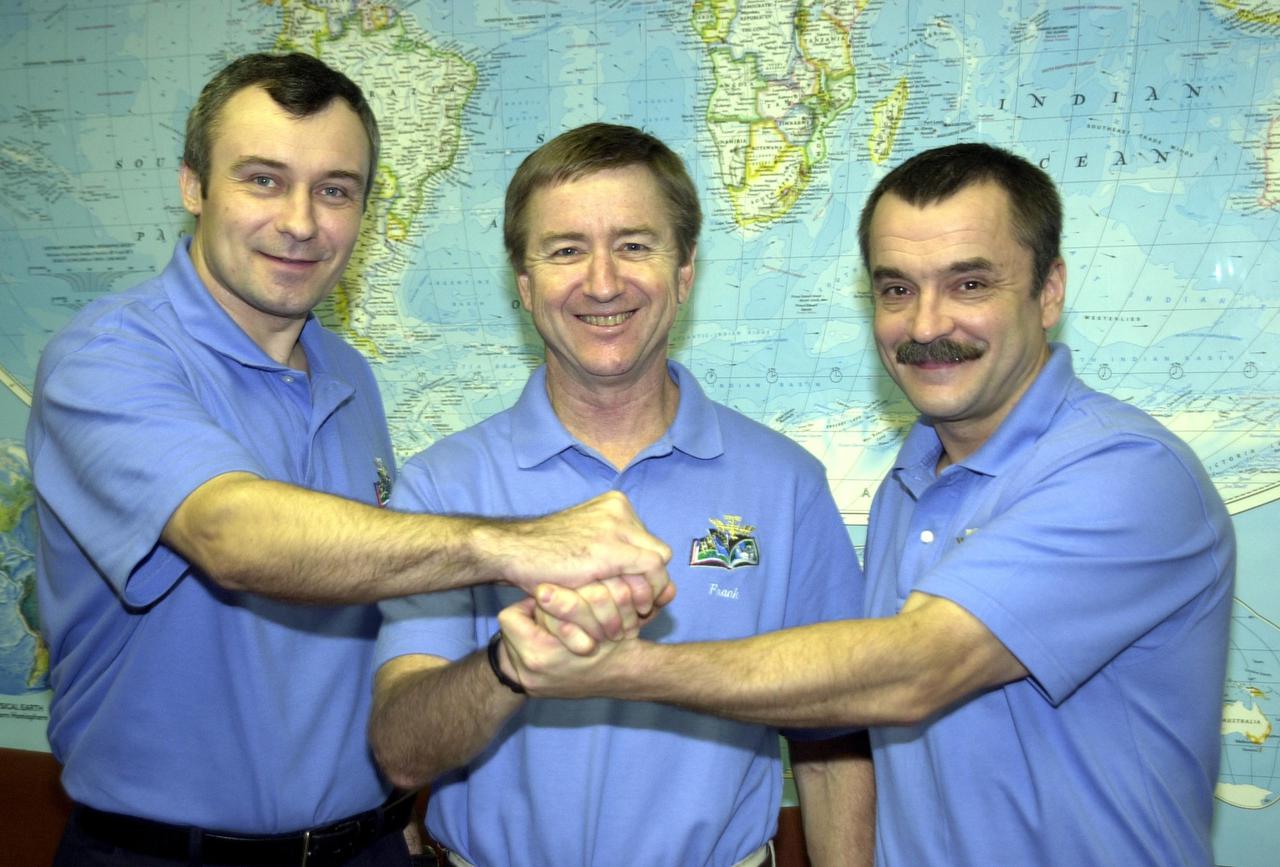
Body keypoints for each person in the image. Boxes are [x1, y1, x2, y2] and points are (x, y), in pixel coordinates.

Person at [496, 142, 1236, 865]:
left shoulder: (1127, 473)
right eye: (896, 288)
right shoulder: (908, 489)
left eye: (970, 284)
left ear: (1049, 291)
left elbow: (914, 667)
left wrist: (611, 668)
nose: (926, 325)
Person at [27, 55, 670, 867]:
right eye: (263, 180)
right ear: (193, 185)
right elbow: (233, 534)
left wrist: (401, 798)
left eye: (335, 189)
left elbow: (366, 606)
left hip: (367, 847)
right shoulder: (108, 358)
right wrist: (515, 542)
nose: (301, 222)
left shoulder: (350, 375)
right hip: (162, 853)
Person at [368, 123, 870, 867]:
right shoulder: (444, 486)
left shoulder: (785, 484)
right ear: (525, 284)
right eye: (566, 249)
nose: (603, 281)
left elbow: (833, 743)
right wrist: (514, 661)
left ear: (686, 273)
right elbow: (403, 751)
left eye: (635, 244)